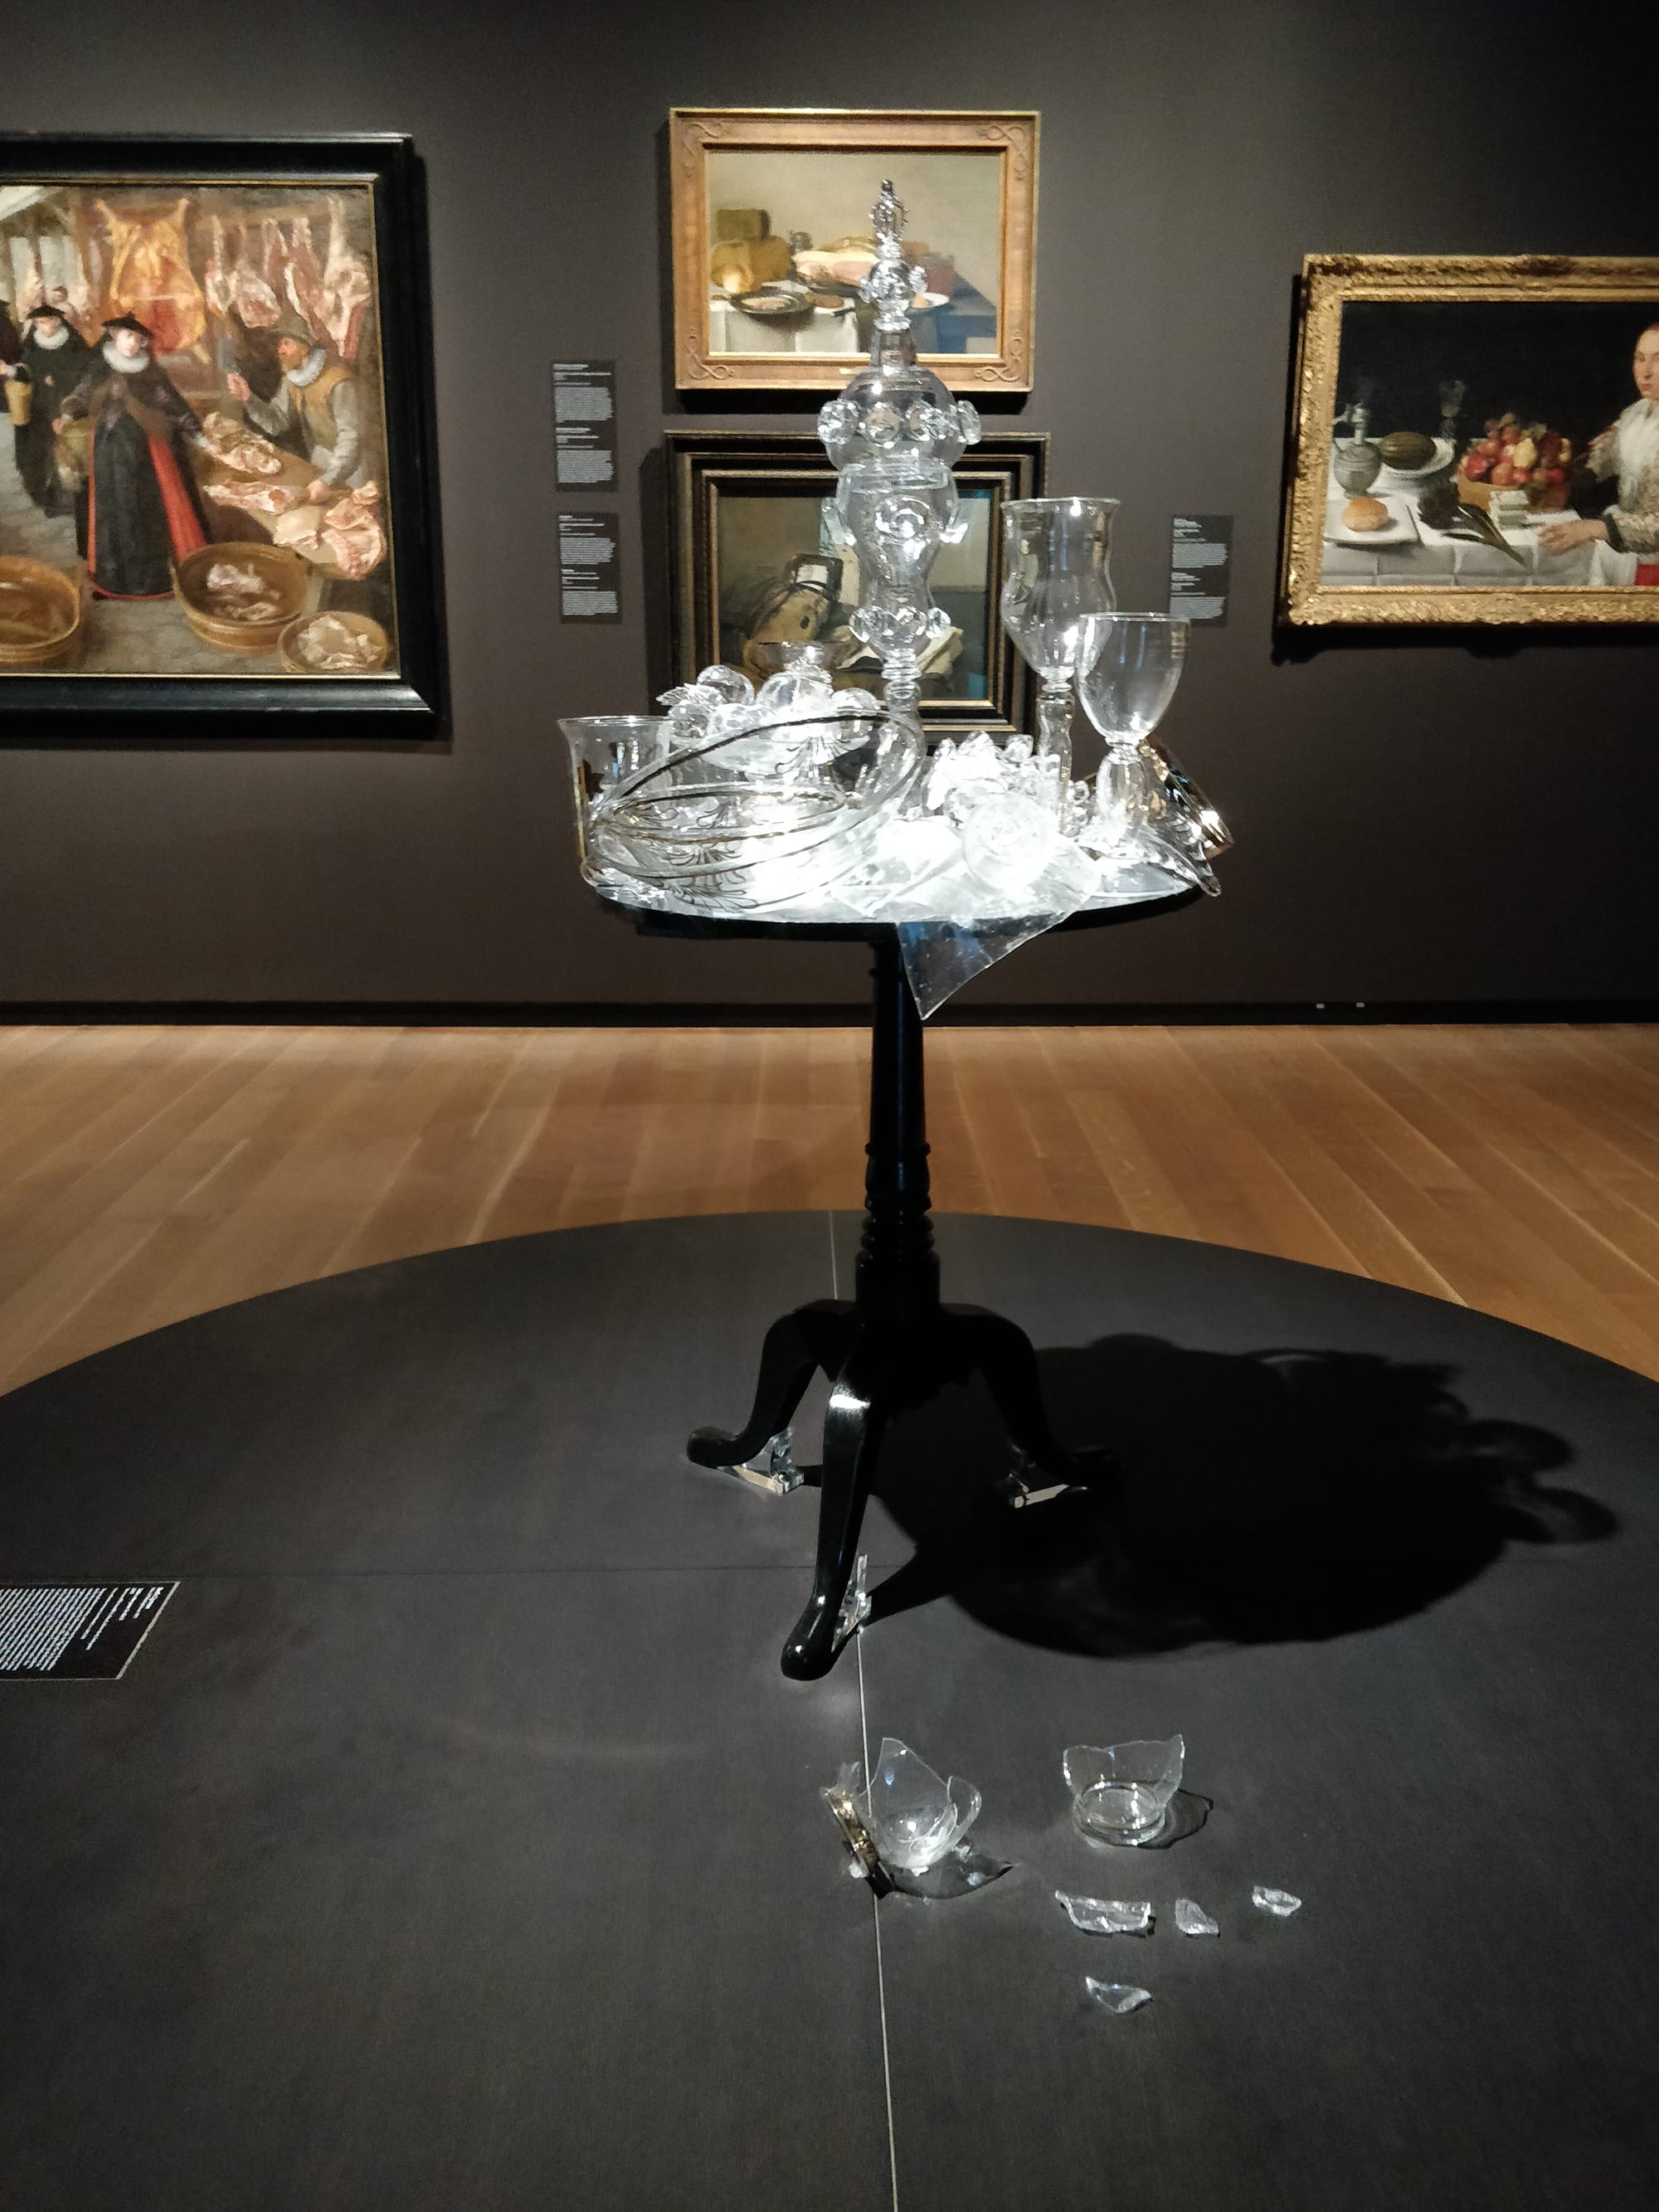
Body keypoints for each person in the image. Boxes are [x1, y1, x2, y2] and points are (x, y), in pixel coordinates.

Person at [55, 312, 212, 600]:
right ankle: (115, 582)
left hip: (150, 452)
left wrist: (199, 436)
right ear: (115, 336)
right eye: (129, 337)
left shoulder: (150, 370)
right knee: (115, 512)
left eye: (139, 339)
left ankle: (158, 580)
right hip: (110, 450)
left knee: (151, 512)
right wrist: (66, 414)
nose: (134, 344)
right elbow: (83, 393)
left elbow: (173, 404)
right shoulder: (101, 365)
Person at [1540, 322, 1659, 583]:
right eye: (1640, 359)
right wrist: (1566, 480)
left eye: (1658, 360)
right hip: (1624, 556)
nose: (1646, 372)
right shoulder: (1636, 412)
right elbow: (1605, 454)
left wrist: (1594, 528)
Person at [226, 327, 362, 503]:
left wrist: (328, 480)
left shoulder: (339, 382)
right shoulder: (293, 381)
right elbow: (278, 422)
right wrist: (248, 398)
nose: (279, 350)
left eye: (286, 343)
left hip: (353, 471)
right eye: (279, 344)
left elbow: (351, 438)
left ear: (305, 347)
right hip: (320, 462)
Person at [8, 302, 95, 518]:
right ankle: (50, 501)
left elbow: (87, 373)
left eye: (47, 322)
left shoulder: (73, 343)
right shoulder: (32, 344)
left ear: (57, 322)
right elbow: (27, 371)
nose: (43, 327)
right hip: (40, 409)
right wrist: (10, 371)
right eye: (39, 323)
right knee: (43, 454)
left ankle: (72, 502)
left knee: (70, 453)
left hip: (68, 405)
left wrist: (57, 379)